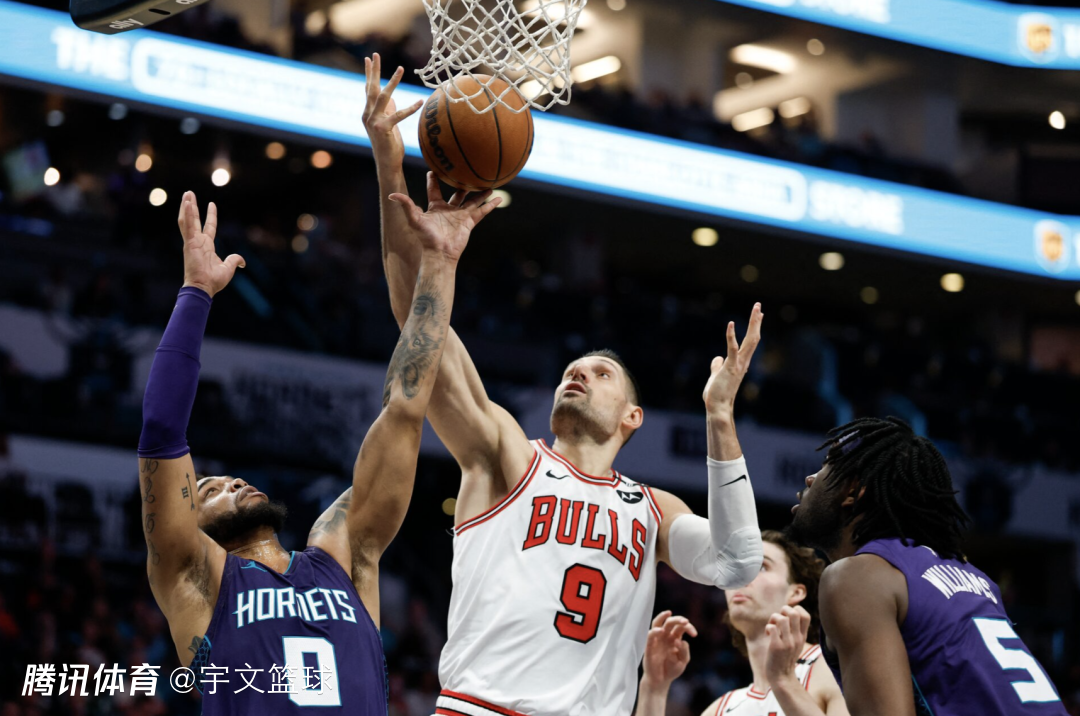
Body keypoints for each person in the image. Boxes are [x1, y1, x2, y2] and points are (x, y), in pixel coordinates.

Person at [363, 54, 764, 716]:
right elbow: (417, 324)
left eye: (602, 374)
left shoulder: (652, 509)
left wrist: (720, 418)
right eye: (573, 369)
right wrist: (392, 169)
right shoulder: (505, 454)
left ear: (633, 416)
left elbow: (736, 563)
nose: (579, 372)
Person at [135, 190, 494, 714]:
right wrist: (196, 292)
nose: (231, 482)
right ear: (191, 523)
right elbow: (161, 429)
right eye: (209, 491)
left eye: (227, 480)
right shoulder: (196, 579)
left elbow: (404, 409)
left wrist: (440, 261)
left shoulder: (342, 552)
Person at [787, 417, 1067, 716]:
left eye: (825, 467)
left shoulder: (855, 576)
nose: (810, 478)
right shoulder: (974, 578)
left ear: (854, 491)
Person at [636, 530, 849, 716]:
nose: (742, 578)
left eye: (762, 567)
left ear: (796, 592)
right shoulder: (721, 709)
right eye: (736, 569)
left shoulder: (834, 666)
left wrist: (783, 681)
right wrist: (654, 688)